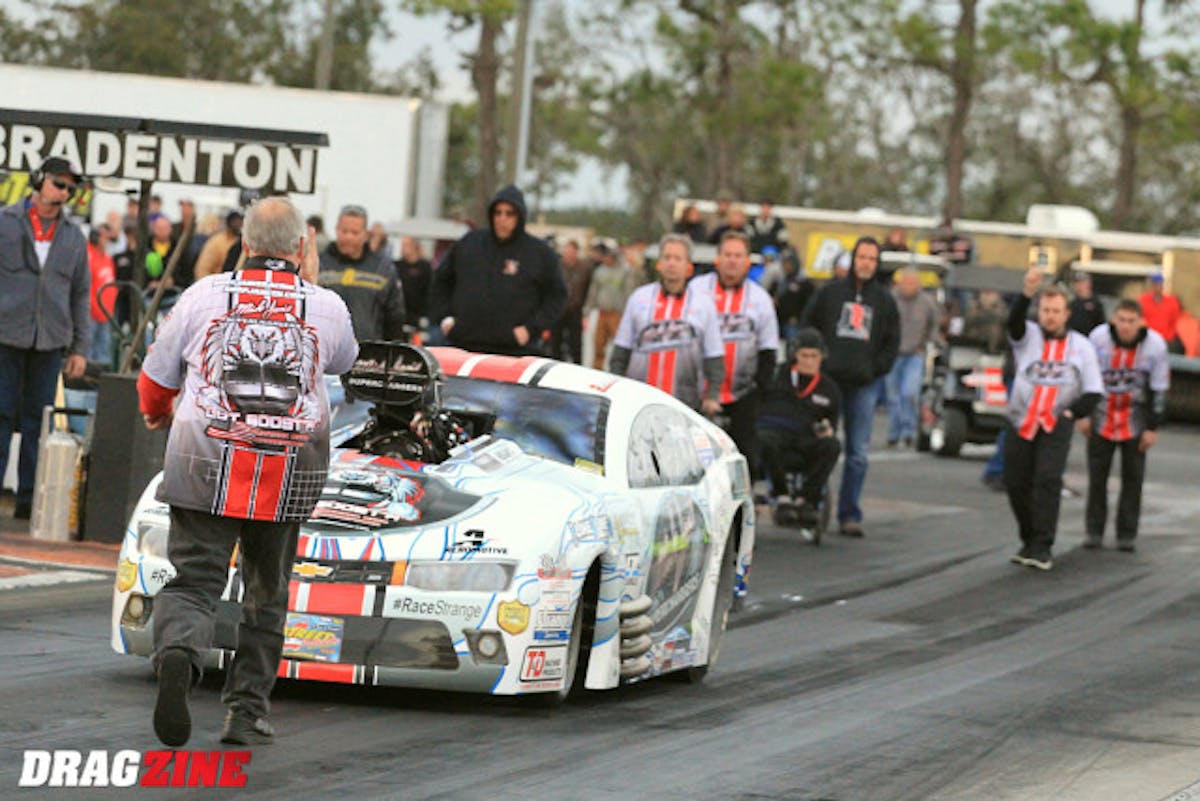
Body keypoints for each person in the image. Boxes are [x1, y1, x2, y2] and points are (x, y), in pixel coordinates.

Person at [138, 197, 357, 747]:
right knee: (268, 591)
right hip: (290, 468)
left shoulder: (202, 294)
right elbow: (347, 364)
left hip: (203, 459)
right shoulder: (328, 306)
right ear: (302, 248)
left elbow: (154, 381)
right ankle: (247, 711)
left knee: (194, 581)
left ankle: (180, 657)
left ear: (244, 244)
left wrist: (156, 413)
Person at [0, 156, 90, 520]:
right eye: (58, 184)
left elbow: (81, 293)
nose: (64, 192)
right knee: (1, 416)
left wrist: (80, 347)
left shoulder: (72, 236)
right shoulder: (5, 222)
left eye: (70, 187)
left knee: (40, 421)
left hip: (50, 340)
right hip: (5, 334)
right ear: (38, 181)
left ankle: (27, 500)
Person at [1003, 268, 1102, 571]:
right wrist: (1026, 293)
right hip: (1022, 419)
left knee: (1046, 481)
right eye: (1045, 310)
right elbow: (1014, 323)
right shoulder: (1028, 337)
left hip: (1056, 421)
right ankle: (1028, 539)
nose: (1050, 316)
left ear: (1066, 314)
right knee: (1016, 482)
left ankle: (1043, 546)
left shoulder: (1081, 346)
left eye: (1056, 311)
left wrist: (1072, 414)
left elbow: (1094, 390)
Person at [801, 236, 899, 537]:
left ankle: (849, 513)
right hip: (827, 382)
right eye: (861, 257)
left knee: (857, 453)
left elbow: (891, 343)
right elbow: (808, 325)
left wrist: (874, 369)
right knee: (817, 445)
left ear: (877, 263)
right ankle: (811, 505)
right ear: (853, 260)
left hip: (863, 385)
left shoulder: (884, 301)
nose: (866, 263)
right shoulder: (830, 293)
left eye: (872, 258)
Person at [430, 184, 566, 356]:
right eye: (498, 212)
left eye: (509, 214)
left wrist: (531, 329)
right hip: (464, 345)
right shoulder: (469, 243)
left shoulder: (539, 253)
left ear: (520, 217)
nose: (502, 219)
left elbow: (557, 296)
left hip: (514, 352)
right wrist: (445, 319)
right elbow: (440, 281)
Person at [1079, 299, 1170, 551]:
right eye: (1122, 320)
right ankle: (1094, 531)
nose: (1126, 327)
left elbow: (1160, 390)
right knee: (1097, 477)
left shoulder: (1155, 346)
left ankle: (1126, 533)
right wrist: (1083, 415)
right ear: (1113, 320)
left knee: (1133, 478)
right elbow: (1084, 378)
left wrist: (1152, 427)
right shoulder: (1097, 339)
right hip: (1102, 414)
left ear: (1141, 322)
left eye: (1132, 321)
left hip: (1135, 418)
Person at [609, 233, 724, 415]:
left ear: (689, 267)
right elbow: (621, 352)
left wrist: (712, 396)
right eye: (667, 257)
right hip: (639, 402)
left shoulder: (704, 304)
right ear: (659, 264)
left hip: (686, 403)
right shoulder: (639, 298)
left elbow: (714, 356)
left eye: (678, 258)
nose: (671, 263)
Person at [691, 231, 780, 460]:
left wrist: (760, 394)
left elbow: (768, 349)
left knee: (743, 457)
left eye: (738, 255)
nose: (732, 260)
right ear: (717, 259)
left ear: (748, 262)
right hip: (697, 392)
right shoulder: (697, 290)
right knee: (696, 456)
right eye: (727, 254)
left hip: (742, 393)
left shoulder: (760, 299)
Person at [757, 328, 842, 530]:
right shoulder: (776, 376)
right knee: (765, 439)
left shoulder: (829, 389)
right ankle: (782, 496)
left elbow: (832, 423)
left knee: (831, 445)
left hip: (806, 440)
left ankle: (807, 501)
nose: (809, 361)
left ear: (822, 357)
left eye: (814, 356)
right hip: (775, 435)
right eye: (804, 355)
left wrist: (827, 431)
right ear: (795, 354)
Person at [318, 204, 406, 342]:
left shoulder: (383, 269)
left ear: (366, 235)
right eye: (344, 231)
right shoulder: (318, 265)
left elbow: (395, 317)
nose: (348, 237)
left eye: (354, 233)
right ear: (336, 230)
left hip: (368, 355)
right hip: (326, 350)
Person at [887, 266, 941, 447]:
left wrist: (927, 342)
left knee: (909, 393)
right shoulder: (891, 299)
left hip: (915, 354)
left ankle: (909, 431)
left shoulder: (927, 302)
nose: (908, 286)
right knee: (893, 396)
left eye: (912, 283)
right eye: (906, 282)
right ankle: (894, 433)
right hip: (893, 354)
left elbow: (934, 324)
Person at [584, 241, 640, 370]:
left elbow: (629, 292)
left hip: (618, 314)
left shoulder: (625, 271)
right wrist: (587, 309)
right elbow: (593, 291)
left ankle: (619, 371)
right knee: (598, 345)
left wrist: (629, 313)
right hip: (602, 313)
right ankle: (597, 370)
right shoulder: (600, 271)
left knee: (620, 346)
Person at [548, 240, 593, 364]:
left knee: (576, 343)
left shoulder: (585, 268)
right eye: (567, 251)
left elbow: (589, 289)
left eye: (572, 251)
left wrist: (586, 311)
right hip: (558, 309)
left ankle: (577, 366)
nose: (569, 254)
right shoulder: (556, 266)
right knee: (555, 342)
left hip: (575, 309)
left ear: (576, 252)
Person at [86, 224, 117, 366]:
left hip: (106, 313)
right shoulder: (88, 257)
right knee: (88, 351)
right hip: (91, 314)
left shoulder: (107, 258)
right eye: (104, 239)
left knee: (104, 351)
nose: (107, 242)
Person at [395, 236, 433, 335]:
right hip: (402, 313)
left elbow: (430, 290)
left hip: (419, 315)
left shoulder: (424, 266)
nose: (403, 248)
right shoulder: (397, 266)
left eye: (406, 245)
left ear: (414, 247)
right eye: (402, 245)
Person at [1139, 272, 1183, 353]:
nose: (1157, 287)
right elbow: (1139, 319)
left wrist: (1169, 337)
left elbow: (1175, 321)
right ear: (1151, 285)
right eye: (1155, 284)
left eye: (1160, 284)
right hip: (1148, 340)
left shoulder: (1172, 301)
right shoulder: (1143, 300)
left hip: (1166, 341)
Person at [193, 210, 243, 281]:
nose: (238, 224)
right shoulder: (217, 242)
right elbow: (202, 270)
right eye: (235, 221)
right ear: (229, 223)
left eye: (240, 221)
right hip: (215, 284)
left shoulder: (241, 242)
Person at [1067, 271, 1106, 335]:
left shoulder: (1096, 303)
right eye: (1077, 283)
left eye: (1082, 282)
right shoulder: (1072, 303)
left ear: (1088, 283)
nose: (1079, 285)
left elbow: (1101, 325)